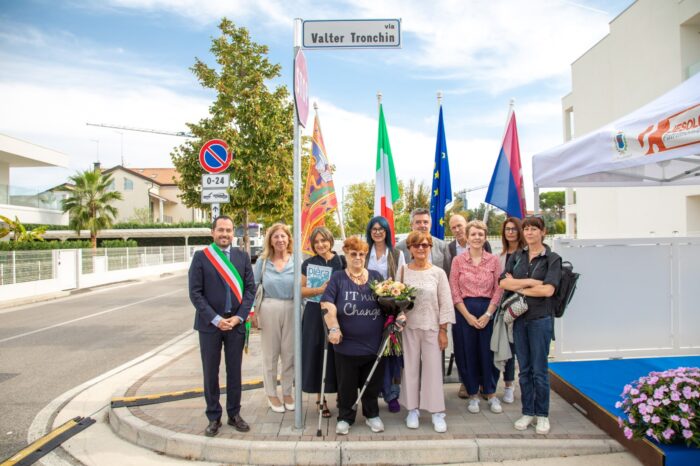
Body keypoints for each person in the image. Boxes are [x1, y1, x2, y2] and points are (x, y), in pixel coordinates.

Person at [189, 215, 254, 436]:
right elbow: (195, 293)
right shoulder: (201, 257)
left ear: (233, 233)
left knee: (234, 372)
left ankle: (234, 414)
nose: (225, 234)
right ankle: (213, 417)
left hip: (235, 324)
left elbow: (250, 290)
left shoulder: (242, 256)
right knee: (210, 373)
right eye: (220, 230)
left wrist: (239, 317)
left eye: (228, 230)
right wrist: (216, 319)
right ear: (213, 232)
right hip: (210, 326)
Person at [499, 216, 561, 435]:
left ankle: (542, 415)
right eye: (526, 229)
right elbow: (503, 282)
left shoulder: (552, 259)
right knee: (523, 369)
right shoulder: (517, 256)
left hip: (540, 320)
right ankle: (527, 411)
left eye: (534, 229)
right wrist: (531, 283)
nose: (529, 233)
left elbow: (548, 290)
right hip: (519, 320)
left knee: (539, 370)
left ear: (543, 232)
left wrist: (519, 288)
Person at [320, 237, 387, 436]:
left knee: (372, 384)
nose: (358, 258)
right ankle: (345, 417)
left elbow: (389, 301)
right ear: (346, 255)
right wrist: (333, 327)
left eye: (361, 254)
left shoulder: (376, 277)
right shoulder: (338, 278)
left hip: (374, 344)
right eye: (353, 254)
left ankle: (372, 414)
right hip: (346, 344)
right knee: (346, 385)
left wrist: (398, 314)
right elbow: (327, 304)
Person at [398, 231, 455, 433]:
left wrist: (443, 330)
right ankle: (412, 410)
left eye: (425, 245)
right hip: (409, 328)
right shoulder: (403, 271)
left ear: (430, 247)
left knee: (433, 371)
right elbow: (397, 298)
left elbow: (446, 302)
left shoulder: (438, 273)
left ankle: (437, 412)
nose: (421, 248)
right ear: (410, 249)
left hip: (432, 327)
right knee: (410, 369)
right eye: (416, 245)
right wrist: (399, 315)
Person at [449, 220, 504, 415]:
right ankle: (472, 394)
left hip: (488, 311)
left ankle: (490, 393)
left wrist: (488, 314)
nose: (477, 238)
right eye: (473, 234)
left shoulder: (494, 260)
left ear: (485, 237)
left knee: (488, 353)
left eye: (480, 234)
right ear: (467, 236)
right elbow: (454, 290)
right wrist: (468, 316)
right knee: (467, 353)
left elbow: (499, 288)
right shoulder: (458, 261)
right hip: (465, 311)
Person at [301, 226, 346, 418]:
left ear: (330, 240)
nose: (320, 244)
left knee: (340, 354)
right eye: (316, 241)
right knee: (317, 353)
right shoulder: (308, 264)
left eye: (323, 240)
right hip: (314, 314)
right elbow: (300, 290)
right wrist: (319, 289)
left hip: (339, 313)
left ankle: (342, 395)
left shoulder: (342, 261)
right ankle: (320, 399)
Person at [447, 213, 492, 399]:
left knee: (485, 349)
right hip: (462, 307)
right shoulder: (452, 252)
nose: (458, 230)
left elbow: (496, 285)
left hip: (485, 307)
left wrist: (489, 312)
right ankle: (468, 385)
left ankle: (486, 387)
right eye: (454, 227)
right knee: (464, 350)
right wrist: (464, 312)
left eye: (460, 226)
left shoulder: (488, 254)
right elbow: (452, 284)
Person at [252, 223, 295, 413]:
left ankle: (287, 392)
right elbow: (254, 286)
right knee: (270, 354)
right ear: (270, 240)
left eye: (283, 236)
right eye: (276, 236)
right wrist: (253, 313)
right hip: (269, 307)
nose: (280, 240)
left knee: (289, 354)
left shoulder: (297, 260)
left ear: (288, 239)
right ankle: (271, 393)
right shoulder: (263, 261)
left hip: (292, 308)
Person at [365, 215, 406, 413]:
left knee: (391, 354)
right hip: (365, 310)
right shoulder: (364, 254)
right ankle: (371, 394)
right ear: (369, 232)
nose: (378, 231)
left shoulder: (397, 254)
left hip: (390, 310)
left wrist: (398, 310)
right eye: (374, 228)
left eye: (381, 228)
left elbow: (401, 282)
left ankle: (392, 395)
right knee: (370, 353)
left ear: (387, 231)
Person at [497, 217, 526, 404]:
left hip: (523, 307)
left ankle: (522, 385)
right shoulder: (500, 256)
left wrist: (512, 282)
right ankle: (508, 384)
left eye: (514, 229)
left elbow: (525, 281)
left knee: (520, 348)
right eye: (507, 229)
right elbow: (500, 282)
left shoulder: (526, 255)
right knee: (506, 346)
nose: (510, 232)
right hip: (504, 307)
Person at [396, 208, 450, 272]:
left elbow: (448, 272)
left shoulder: (443, 246)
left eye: (425, 222)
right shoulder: (400, 247)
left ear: (430, 225)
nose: (422, 225)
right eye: (418, 222)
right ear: (411, 225)